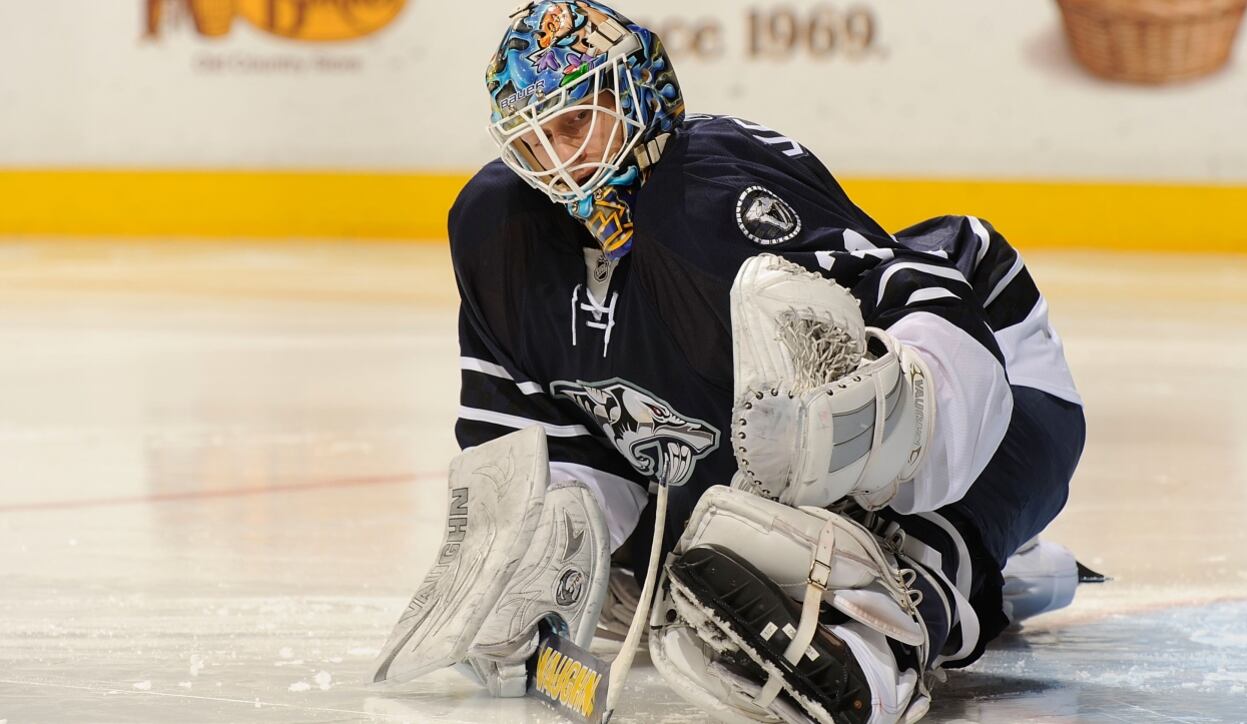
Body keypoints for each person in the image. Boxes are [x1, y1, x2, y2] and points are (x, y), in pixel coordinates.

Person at [373, 2, 1089, 721]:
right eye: (535, 141)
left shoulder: (709, 193)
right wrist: (539, 552)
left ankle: (929, 594)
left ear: (638, 96)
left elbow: (923, 298)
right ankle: (999, 572)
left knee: (856, 513)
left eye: (577, 121)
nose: (561, 161)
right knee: (693, 567)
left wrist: (889, 411)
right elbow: (541, 442)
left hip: (997, 377)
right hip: (754, 457)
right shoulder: (501, 234)